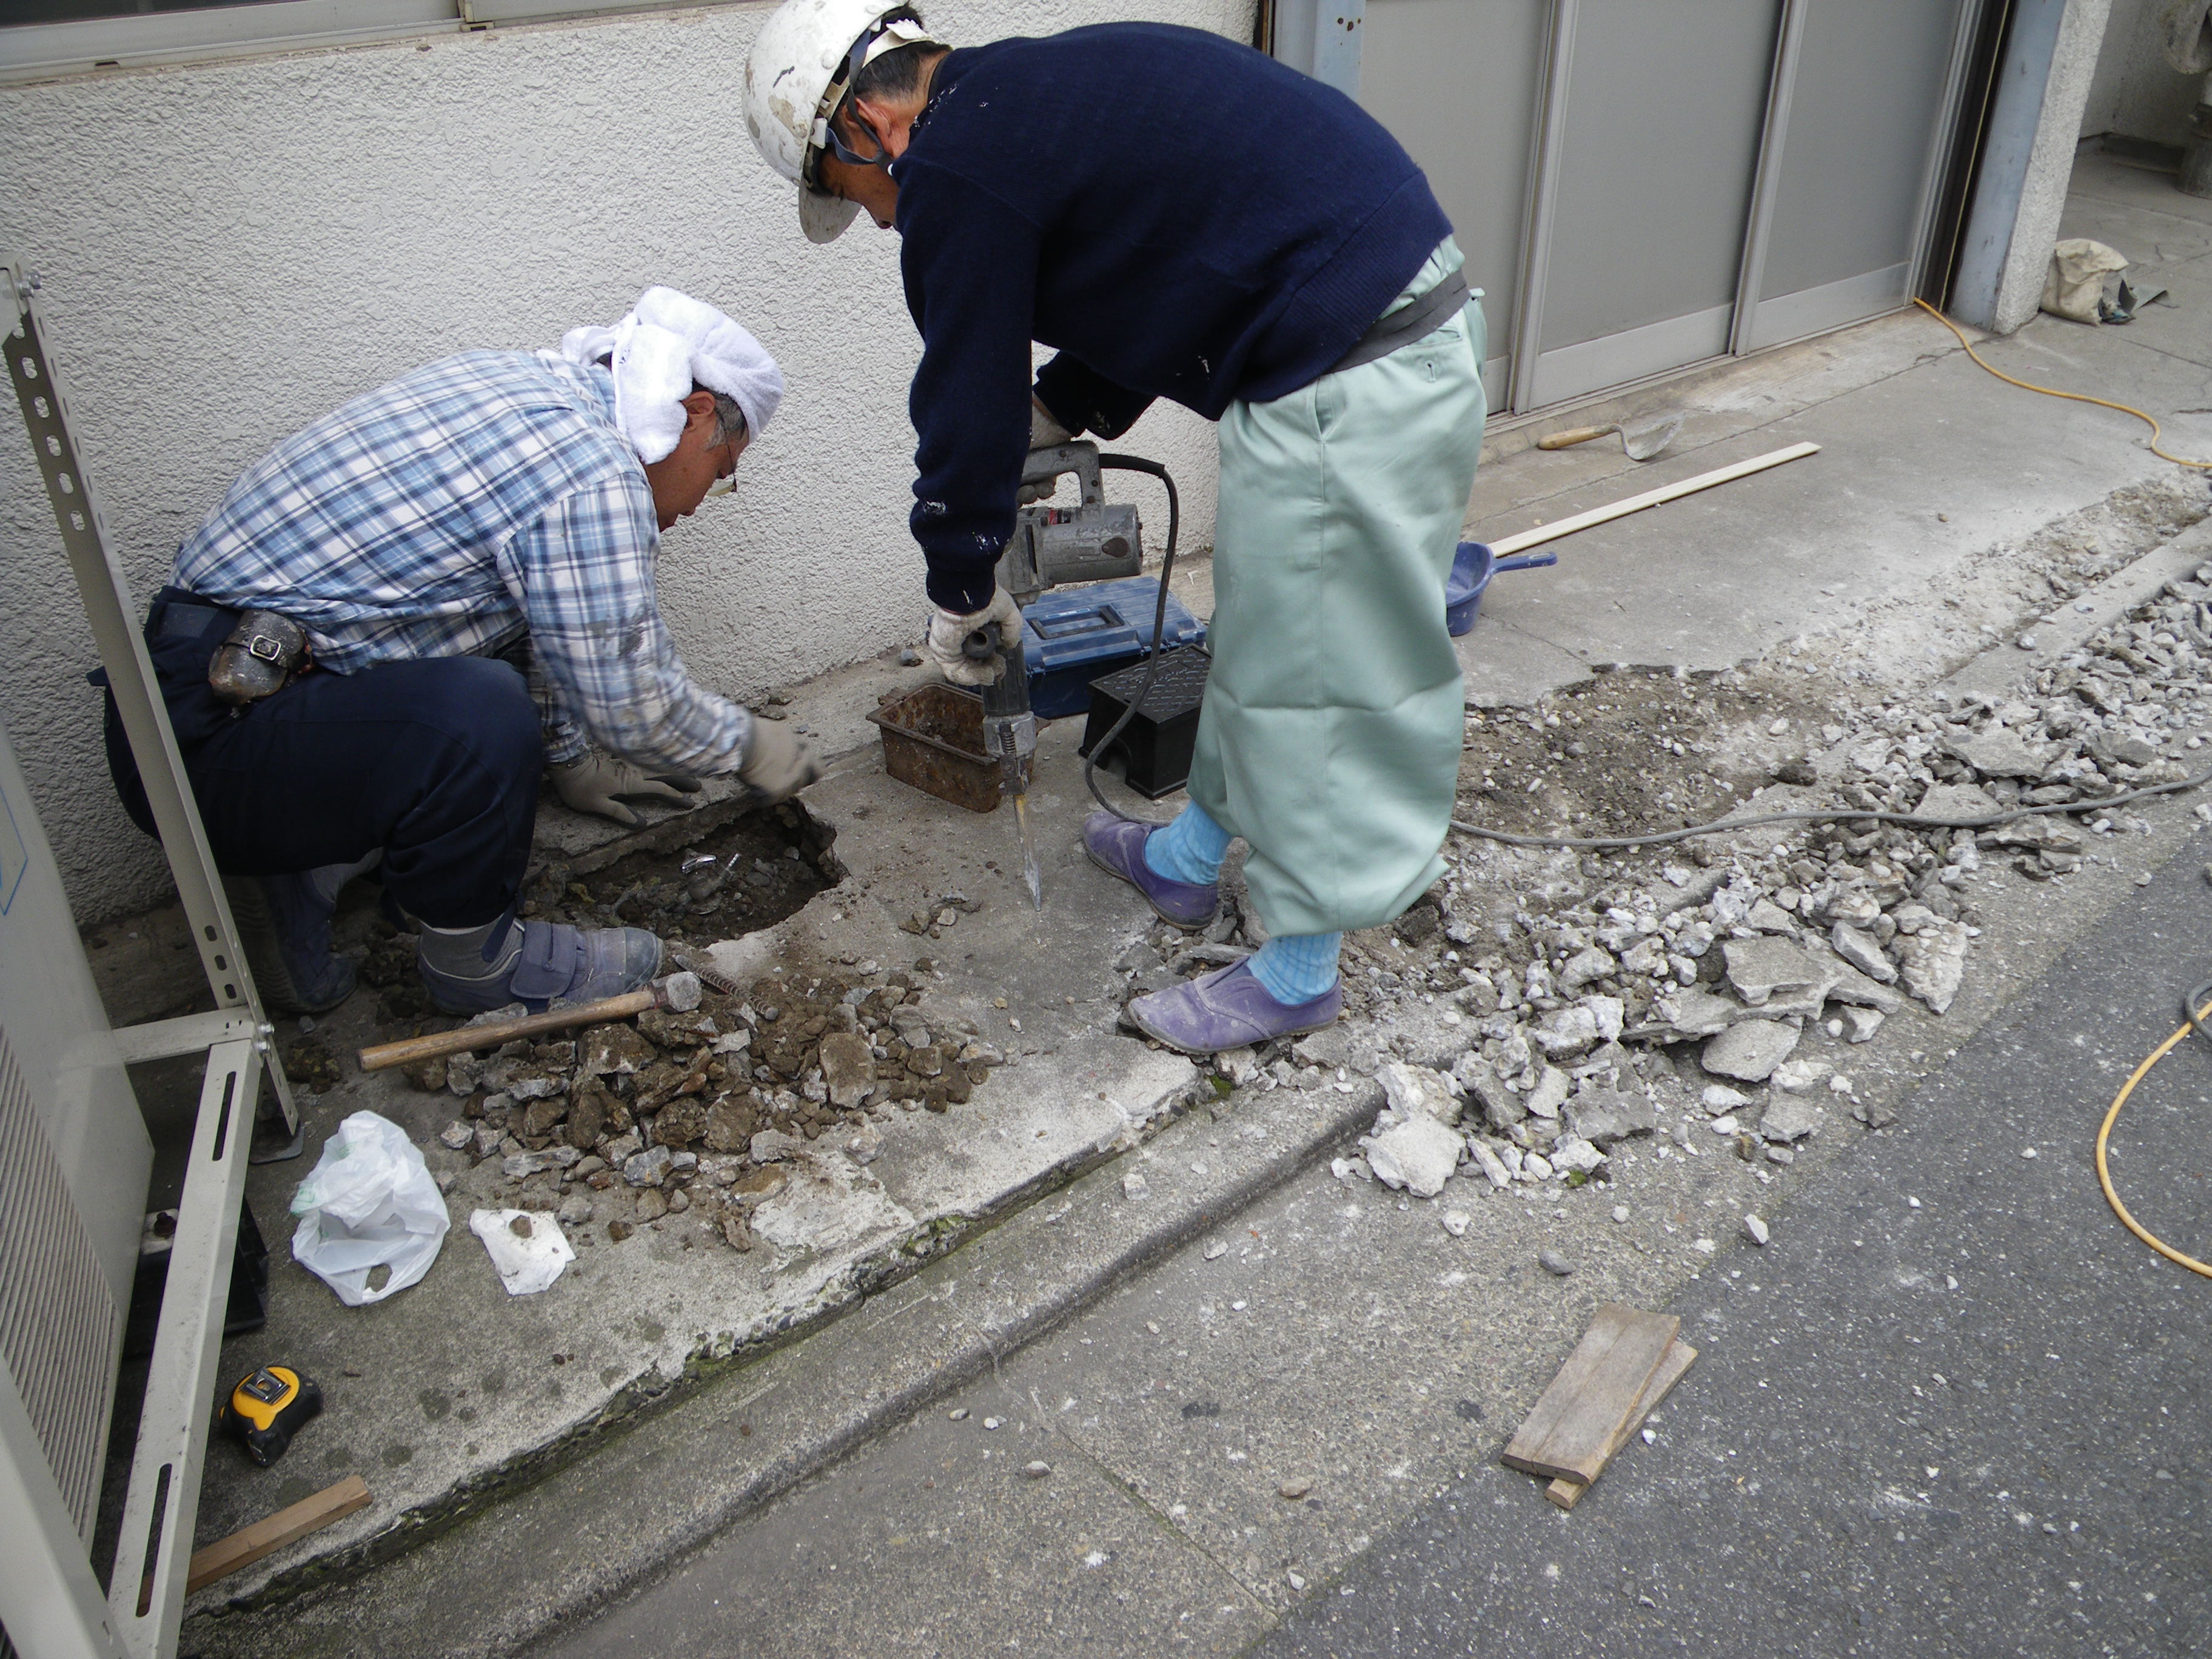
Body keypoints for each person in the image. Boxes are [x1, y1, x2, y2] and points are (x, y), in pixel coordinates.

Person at [742, 4, 1485, 1053]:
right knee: (1266, 635)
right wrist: (1063, 407)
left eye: (850, 194)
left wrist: (958, 585)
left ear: (866, 126)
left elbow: (965, 389)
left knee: (1320, 670)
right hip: (1353, 338)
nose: (875, 221)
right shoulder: (1021, 98)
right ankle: (1188, 861)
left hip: (1358, 368)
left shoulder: (956, 164)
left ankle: (1298, 969)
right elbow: (1163, 262)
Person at [104, 286, 820, 1016]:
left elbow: (526, 611)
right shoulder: (594, 473)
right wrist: (755, 746)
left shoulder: (531, 391)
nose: (703, 502)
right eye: (723, 471)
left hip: (209, 696)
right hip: (203, 746)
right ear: (697, 413)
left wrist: (569, 760)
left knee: (481, 683)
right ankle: (477, 966)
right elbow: (633, 701)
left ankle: (297, 877)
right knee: (478, 714)